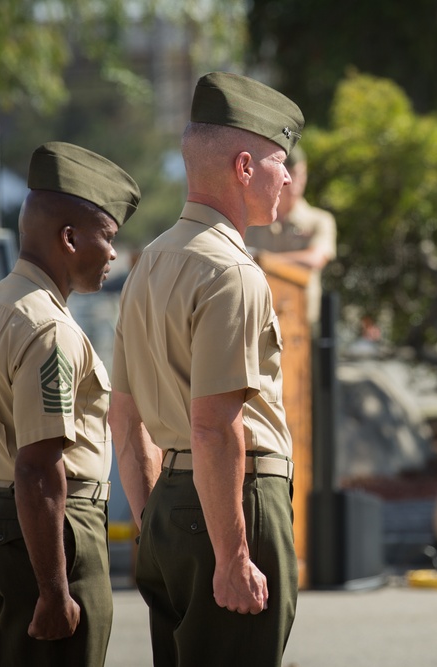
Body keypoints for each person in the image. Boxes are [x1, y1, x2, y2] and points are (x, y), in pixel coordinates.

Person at [109, 71, 303, 667]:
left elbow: (123, 414)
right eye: (280, 162)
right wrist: (233, 555)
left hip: (171, 499)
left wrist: (154, 519)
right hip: (234, 499)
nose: (289, 179)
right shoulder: (231, 272)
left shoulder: (150, 262)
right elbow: (216, 427)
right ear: (244, 168)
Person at [0, 142, 140, 666]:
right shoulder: (50, 330)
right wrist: (55, 590)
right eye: (107, 238)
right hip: (55, 536)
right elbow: (38, 467)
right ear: (69, 238)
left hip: (0, 523)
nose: (112, 255)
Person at [244, 144, 336, 325]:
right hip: (259, 320)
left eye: (300, 174)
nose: (295, 182)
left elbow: (315, 259)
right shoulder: (253, 220)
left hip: (301, 325)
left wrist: (261, 260)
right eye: (289, 173)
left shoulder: (319, 220)